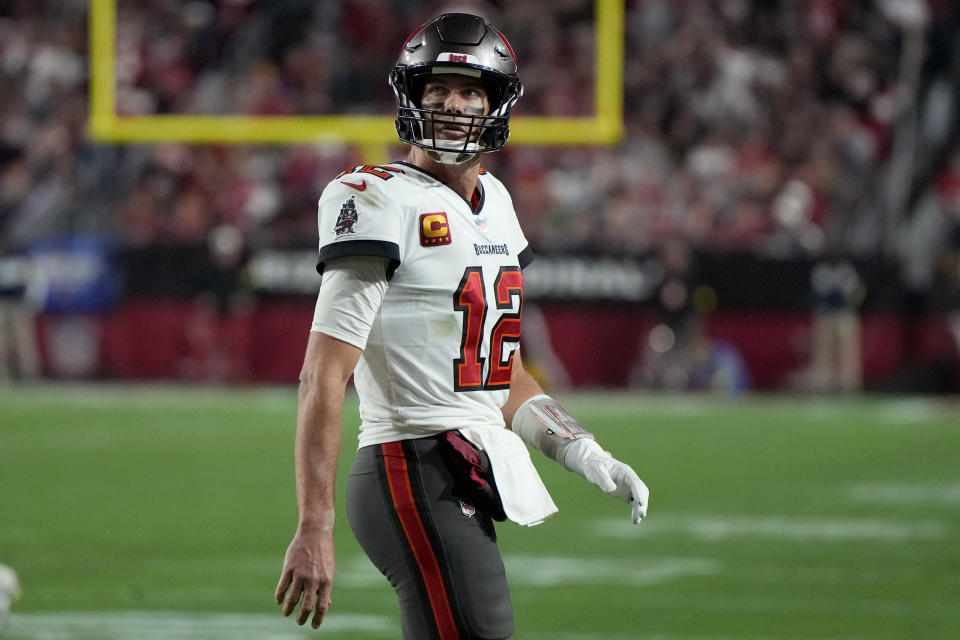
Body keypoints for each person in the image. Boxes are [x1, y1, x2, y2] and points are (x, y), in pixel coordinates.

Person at [274, 13, 650, 639]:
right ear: (410, 98)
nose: (452, 104)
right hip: (409, 463)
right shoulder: (375, 197)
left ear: (495, 105)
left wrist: (585, 452)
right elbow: (323, 373)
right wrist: (314, 524)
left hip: (460, 468)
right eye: (437, 89)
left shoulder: (496, 204)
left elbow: (505, 380)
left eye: (471, 91)